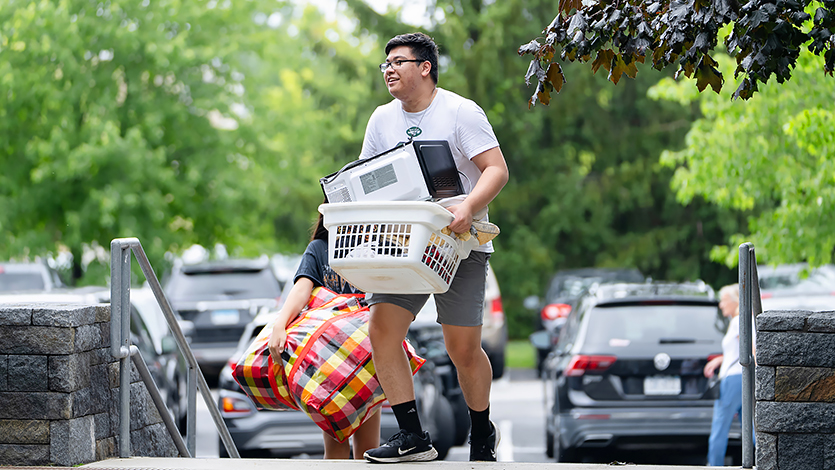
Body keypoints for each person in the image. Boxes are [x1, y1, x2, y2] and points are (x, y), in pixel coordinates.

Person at [359, 32, 509, 463]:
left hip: (458, 242)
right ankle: (412, 436)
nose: (389, 69)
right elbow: (370, 177)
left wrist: (468, 207)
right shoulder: (382, 119)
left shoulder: (461, 112)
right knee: (382, 332)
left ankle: (481, 431)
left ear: (425, 67)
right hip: (403, 242)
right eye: (385, 63)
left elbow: (495, 170)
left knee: (461, 348)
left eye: (398, 62)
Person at [267, 209, 379, 459]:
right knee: (336, 448)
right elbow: (301, 289)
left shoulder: (374, 245)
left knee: (369, 449)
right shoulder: (320, 248)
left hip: (366, 357)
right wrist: (280, 323)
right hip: (330, 360)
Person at [703, 283, 755, 466]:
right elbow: (741, 350)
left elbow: (751, 348)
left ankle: (714, 465)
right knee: (749, 427)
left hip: (733, 380)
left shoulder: (737, 321)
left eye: (724, 300)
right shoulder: (741, 321)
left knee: (720, 425)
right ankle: (762, 460)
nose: (721, 304)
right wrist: (720, 360)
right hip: (742, 378)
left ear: (734, 301)